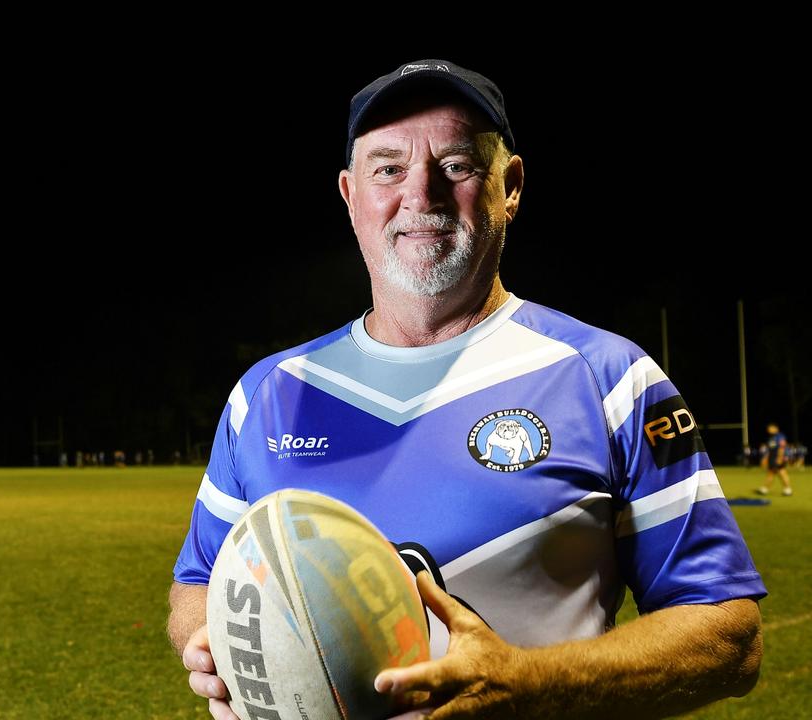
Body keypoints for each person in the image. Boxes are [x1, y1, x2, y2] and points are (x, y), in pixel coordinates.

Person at [167, 59, 765, 719]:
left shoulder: (610, 379)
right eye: (388, 168)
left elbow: (727, 637)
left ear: (510, 186)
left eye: (455, 165)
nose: (420, 194)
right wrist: (206, 640)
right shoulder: (269, 394)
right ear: (350, 194)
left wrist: (532, 684)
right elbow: (199, 579)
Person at [756, 423, 792, 496]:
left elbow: (782, 447)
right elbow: (770, 449)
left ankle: (787, 489)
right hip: (772, 457)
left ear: (776, 428)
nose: (769, 429)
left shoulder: (780, 436)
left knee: (781, 473)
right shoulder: (771, 438)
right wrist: (766, 458)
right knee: (772, 473)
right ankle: (765, 488)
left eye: (771, 428)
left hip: (777, 457)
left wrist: (780, 458)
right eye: (769, 428)